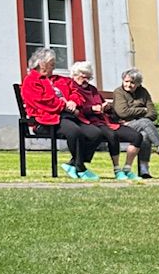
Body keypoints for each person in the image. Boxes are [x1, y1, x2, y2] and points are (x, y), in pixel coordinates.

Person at [19, 47, 107, 179]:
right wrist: (65, 106)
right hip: (46, 120)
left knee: (96, 133)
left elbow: (76, 92)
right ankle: (80, 168)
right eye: (51, 64)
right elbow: (43, 102)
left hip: (68, 117)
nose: (54, 67)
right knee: (74, 131)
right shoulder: (31, 81)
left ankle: (73, 164)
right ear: (41, 64)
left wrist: (73, 102)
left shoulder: (61, 80)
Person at [65, 60, 150, 181]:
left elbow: (102, 104)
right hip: (90, 122)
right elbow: (77, 109)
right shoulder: (72, 88)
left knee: (137, 136)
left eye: (89, 77)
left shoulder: (92, 89)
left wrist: (107, 108)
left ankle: (127, 169)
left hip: (106, 121)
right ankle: (117, 170)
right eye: (83, 77)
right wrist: (92, 109)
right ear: (75, 75)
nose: (86, 80)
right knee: (112, 135)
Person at [110, 69, 159, 177]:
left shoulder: (143, 92)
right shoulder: (118, 92)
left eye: (132, 82)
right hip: (123, 125)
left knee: (144, 134)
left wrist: (136, 116)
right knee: (145, 122)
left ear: (138, 84)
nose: (128, 85)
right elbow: (123, 112)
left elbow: (153, 113)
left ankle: (144, 170)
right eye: (126, 81)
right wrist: (143, 110)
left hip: (136, 123)